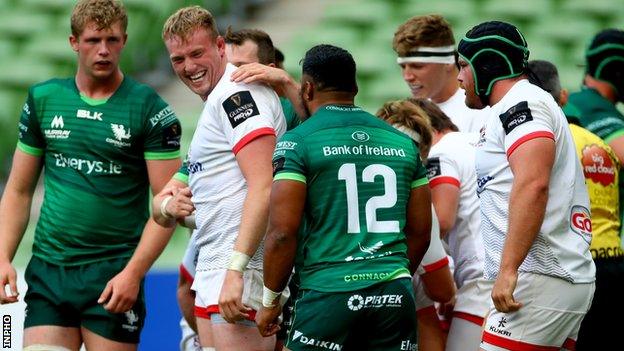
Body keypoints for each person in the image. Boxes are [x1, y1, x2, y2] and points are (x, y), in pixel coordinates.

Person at [0, 0, 182, 350]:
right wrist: (4, 256)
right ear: (73, 42)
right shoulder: (44, 99)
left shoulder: (149, 109)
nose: (104, 50)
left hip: (113, 275)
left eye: (112, 40)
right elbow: (19, 190)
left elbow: (166, 208)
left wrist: (133, 274)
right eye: (93, 40)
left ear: (125, 41)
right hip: (50, 271)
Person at [255, 44, 432, 350]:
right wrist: (390, 276)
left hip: (328, 293)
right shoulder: (402, 144)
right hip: (393, 292)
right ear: (355, 87)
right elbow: (420, 231)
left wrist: (270, 301)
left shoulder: (297, 142)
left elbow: (282, 233)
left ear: (307, 89)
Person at [457, 21, 596, 350]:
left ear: (488, 64)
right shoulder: (519, 105)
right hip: (551, 277)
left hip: (538, 276)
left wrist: (508, 270)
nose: (459, 77)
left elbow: (533, 184)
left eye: (463, 65)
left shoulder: (523, 105)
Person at [155, 6, 286, 350]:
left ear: (220, 46)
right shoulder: (217, 101)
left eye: (197, 53)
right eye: (178, 59)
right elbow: (161, 204)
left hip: (238, 267)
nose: (189, 67)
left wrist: (237, 271)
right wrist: (171, 205)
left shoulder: (235, 95)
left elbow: (263, 185)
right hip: (214, 266)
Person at [529, 59, 623, 350]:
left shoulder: (541, 145)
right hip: (615, 262)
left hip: (571, 264)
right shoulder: (600, 143)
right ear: (564, 97)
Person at [392, 14, 486, 133]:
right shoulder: (413, 114)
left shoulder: (479, 112)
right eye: (403, 66)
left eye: (417, 66)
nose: (407, 76)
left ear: (448, 62)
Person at [223, 27, 301, 131]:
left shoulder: (291, 110)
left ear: (270, 71)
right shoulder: (217, 107)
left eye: (241, 66)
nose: (231, 74)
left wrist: (286, 79)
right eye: (227, 67)